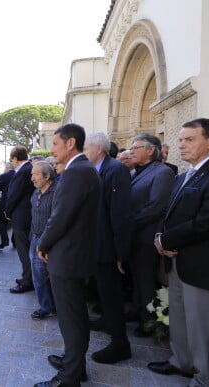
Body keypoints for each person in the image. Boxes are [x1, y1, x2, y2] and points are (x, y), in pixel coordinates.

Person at [148, 118, 209, 387]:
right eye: (180, 139)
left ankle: (206, 379)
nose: (181, 144)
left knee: (203, 327)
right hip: (178, 260)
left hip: (205, 264)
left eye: (189, 139)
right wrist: (160, 236)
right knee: (179, 318)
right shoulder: (184, 174)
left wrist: (166, 239)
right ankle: (182, 362)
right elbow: (168, 213)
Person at [35, 124, 101, 387]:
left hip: (68, 256)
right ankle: (75, 364)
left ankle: (69, 378)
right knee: (75, 315)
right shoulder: (84, 170)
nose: (51, 149)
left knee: (71, 318)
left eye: (55, 144)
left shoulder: (76, 172)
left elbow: (60, 217)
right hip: (75, 254)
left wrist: (43, 243)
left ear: (70, 143)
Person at [83, 132, 133, 364]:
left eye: (86, 147)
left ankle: (120, 344)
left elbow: (120, 215)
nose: (83, 151)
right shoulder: (99, 169)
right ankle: (106, 321)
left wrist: (121, 254)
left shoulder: (115, 170)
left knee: (112, 296)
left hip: (109, 249)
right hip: (98, 245)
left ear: (99, 148)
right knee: (104, 293)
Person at [129, 134, 175, 336]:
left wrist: (128, 223)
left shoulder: (162, 172)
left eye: (136, 147)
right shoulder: (138, 171)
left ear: (150, 150)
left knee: (146, 280)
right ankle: (137, 311)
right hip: (135, 236)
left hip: (146, 237)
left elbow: (155, 207)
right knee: (136, 279)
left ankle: (147, 321)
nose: (131, 151)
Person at [5, 146, 35, 294]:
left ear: (16, 159)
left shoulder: (22, 171)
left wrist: (7, 211)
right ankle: (28, 276)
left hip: (21, 217)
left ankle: (27, 280)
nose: (12, 162)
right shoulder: (29, 168)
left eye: (12, 160)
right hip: (27, 216)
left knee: (24, 251)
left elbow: (13, 195)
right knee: (27, 249)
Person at [28, 161, 56, 320]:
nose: (32, 178)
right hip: (35, 240)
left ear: (47, 176)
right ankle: (47, 306)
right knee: (38, 277)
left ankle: (50, 307)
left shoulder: (57, 193)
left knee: (48, 277)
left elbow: (56, 221)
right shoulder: (36, 192)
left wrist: (46, 244)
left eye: (36, 174)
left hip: (48, 243)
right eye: (32, 174)